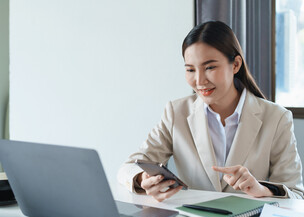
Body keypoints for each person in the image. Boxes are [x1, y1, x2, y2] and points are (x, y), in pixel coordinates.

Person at [117, 21, 304, 201]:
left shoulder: (277, 118)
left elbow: (296, 194)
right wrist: (143, 179)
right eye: (190, 70)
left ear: (236, 64)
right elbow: (129, 167)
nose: (199, 81)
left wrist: (262, 189)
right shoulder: (176, 112)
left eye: (210, 67)